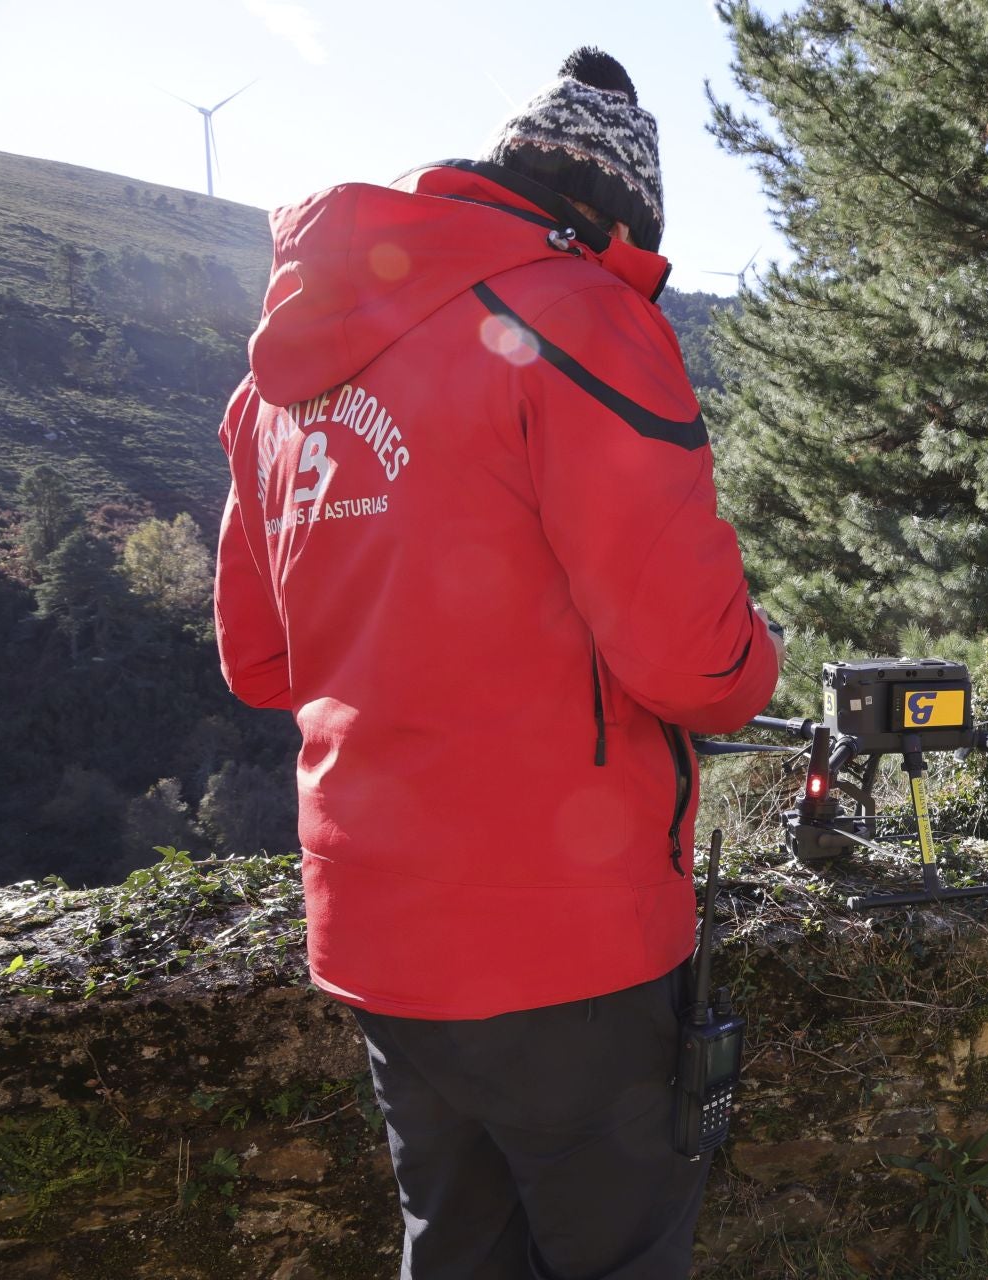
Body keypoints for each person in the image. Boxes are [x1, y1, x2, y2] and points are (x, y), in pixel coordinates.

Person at [212, 47, 782, 1280]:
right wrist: (759, 656)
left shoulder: (276, 383)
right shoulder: (581, 319)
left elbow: (261, 660)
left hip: (373, 929)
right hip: (563, 934)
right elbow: (699, 662)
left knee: (456, 1247)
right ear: (610, 222)